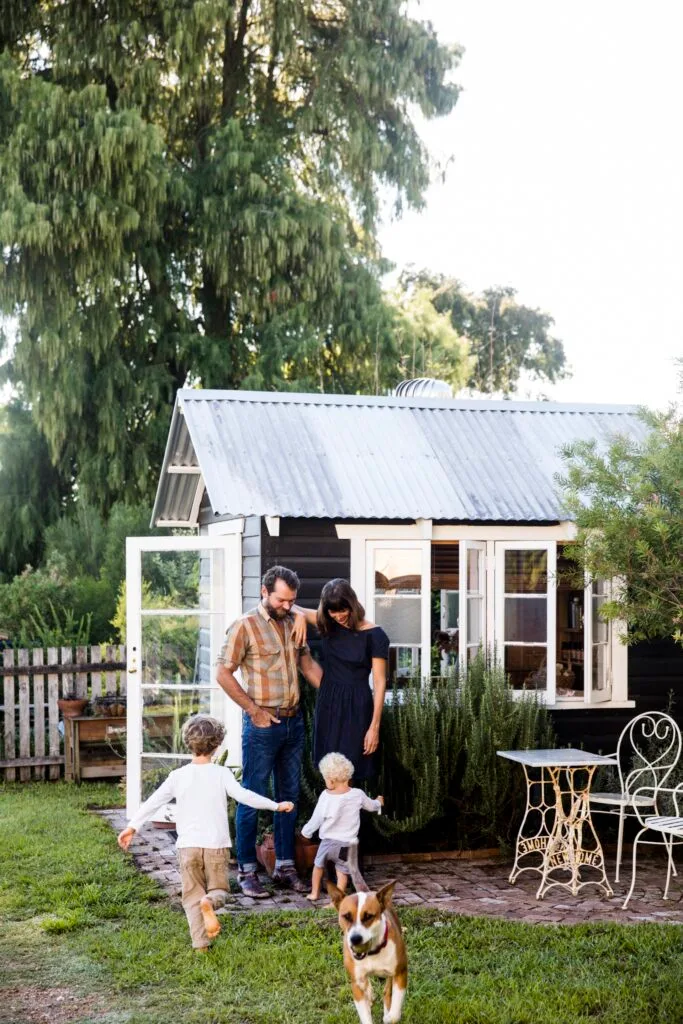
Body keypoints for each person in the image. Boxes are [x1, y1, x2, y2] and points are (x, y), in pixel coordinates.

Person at [117, 714, 293, 951]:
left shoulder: (177, 776)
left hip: (187, 847)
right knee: (219, 890)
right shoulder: (221, 774)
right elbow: (244, 796)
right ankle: (210, 902)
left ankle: (200, 946)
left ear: (187, 743)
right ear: (217, 745)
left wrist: (132, 827)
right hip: (215, 845)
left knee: (191, 898)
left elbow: (152, 803)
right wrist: (276, 805)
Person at [216, 565, 321, 898]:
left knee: (288, 797)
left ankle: (285, 867)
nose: (287, 606)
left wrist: (335, 696)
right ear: (264, 592)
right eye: (281, 600)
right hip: (262, 724)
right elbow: (223, 673)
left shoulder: (293, 621)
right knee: (252, 796)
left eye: (292, 601)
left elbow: (306, 664)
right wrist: (253, 711)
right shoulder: (244, 627)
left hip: (294, 721)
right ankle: (247, 871)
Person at [293, 578, 389, 781]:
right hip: (328, 704)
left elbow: (380, 683)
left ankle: (352, 812)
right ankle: (331, 813)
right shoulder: (328, 624)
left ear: (352, 605)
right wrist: (300, 616)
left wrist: (374, 727)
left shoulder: (375, 635)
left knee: (352, 770)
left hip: (357, 706)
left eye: (343, 610)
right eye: (332, 612)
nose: (338, 616)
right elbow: (290, 606)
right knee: (328, 770)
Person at [301, 751, 383, 901]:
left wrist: (306, 833)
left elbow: (316, 818)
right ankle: (337, 900)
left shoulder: (326, 796)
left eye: (325, 778)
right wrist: (379, 802)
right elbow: (371, 806)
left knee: (318, 866)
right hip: (346, 845)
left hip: (327, 843)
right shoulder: (357, 794)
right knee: (342, 872)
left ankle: (314, 893)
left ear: (331, 780)